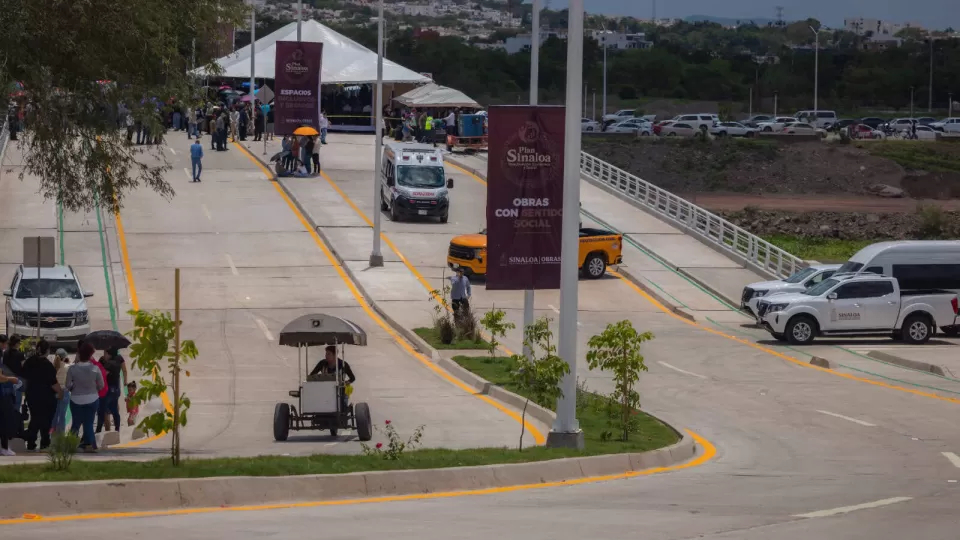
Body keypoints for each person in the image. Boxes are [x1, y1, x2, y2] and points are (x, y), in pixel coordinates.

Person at [66, 343, 104, 452]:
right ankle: (91, 444)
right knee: (89, 423)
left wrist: (74, 387)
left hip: (76, 399)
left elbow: (68, 385)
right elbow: (101, 385)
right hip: (92, 398)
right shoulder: (95, 369)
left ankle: (70, 445)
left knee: (76, 423)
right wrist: (93, 388)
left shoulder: (72, 369)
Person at [22, 340, 58, 451]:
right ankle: (44, 442)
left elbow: (24, 377)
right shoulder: (47, 365)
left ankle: (31, 442)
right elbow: (53, 383)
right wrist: (60, 393)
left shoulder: (29, 362)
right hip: (46, 397)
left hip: (32, 395)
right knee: (45, 421)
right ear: (47, 351)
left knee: (35, 418)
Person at [309, 346, 356, 412]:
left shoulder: (343, 364)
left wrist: (347, 382)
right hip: (324, 390)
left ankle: (344, 410)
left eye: (329, 354)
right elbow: (312, 375)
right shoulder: (322, 363)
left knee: (343, 400)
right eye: (326, 354)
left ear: (335, 355)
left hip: (340, 390)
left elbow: (352, 378)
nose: (326, 356)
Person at [97, 348, 127, 434]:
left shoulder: (108, 363)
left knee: (104, 411)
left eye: (105, 352)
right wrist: (125, 380)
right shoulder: (119, 358)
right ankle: (117, 430)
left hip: (107, 389)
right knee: (114, 410)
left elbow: (102, 374)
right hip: (116, 388)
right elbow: (124, 370)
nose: (104, 354)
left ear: (108, 353)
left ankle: (105, 431)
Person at [53, 348, 70, 433]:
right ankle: (61, 433)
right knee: (62, 414)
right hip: (64, 391)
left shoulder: (52, 367)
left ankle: (52, 431)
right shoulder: (67, 367)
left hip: (55, 391)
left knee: (55, 413)